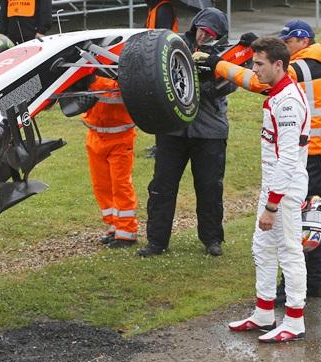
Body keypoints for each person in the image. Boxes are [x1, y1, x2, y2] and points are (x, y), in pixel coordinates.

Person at [206, 19, 321, 303]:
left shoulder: (300, 68)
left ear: (303, 41)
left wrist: (218, 65)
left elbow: (259, 82)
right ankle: (312, 284)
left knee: (296, 228)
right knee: (316, 220)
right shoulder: (320, 59)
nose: (284, 47)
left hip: (307, 156)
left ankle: (293, 292)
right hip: (320, 155)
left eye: (287, 41)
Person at [228, 37, 310, 342]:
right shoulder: (277, 94)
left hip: (284, 191)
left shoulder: (287, 101)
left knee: (290, 251)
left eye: (259, 64)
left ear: (278, 64)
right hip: (274, 185)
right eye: (253, 62)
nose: (254, 70)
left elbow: (288, 158)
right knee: (262, 247)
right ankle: (264, 312)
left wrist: (272, 205)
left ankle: (295, 319)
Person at [137, 8, 236, 257]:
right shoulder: (174, 46)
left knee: (210, 188)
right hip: (172, 131)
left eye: (211, 34)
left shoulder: (226, 56)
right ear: (195, 27)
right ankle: (157, 241)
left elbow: (230, 84)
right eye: (202, 31)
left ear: (220, 36)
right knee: (161, 187)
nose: (204, 37)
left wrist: (203, 83)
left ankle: (212, 239)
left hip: (210, 133)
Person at [83, 76, 138, 248]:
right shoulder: (91, 71)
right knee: (101, 186)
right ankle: (113, 225)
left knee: (121, 185)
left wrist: (90, 81)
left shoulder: (120, 69)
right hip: (95, 136)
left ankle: (126, 233)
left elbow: (122, 90)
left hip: (120, 138)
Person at [143, 0, 178, 159]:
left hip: (162, 62)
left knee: (162, 104)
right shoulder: (155, 7)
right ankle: (160, 143)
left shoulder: (163, 8)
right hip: (155, 61)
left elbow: (161, 37)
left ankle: (163, 145)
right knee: (156, 104)